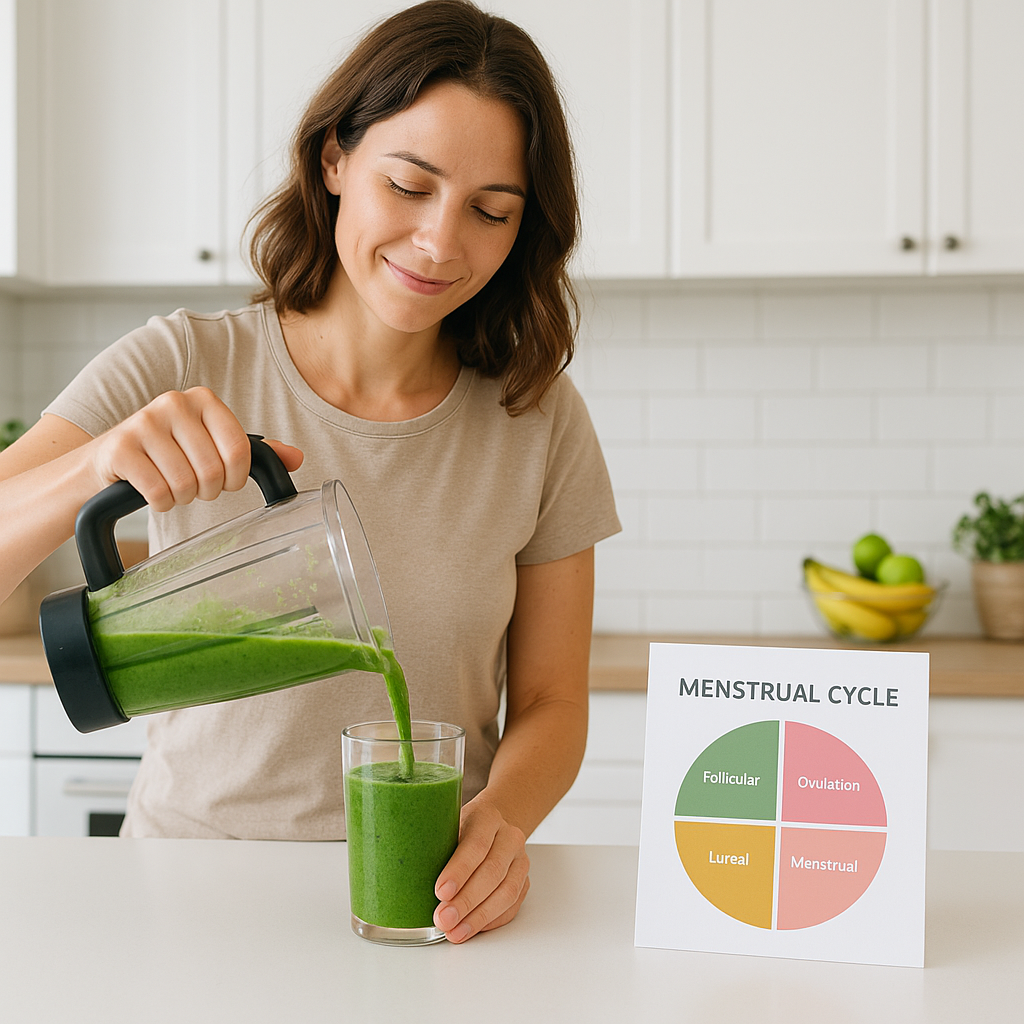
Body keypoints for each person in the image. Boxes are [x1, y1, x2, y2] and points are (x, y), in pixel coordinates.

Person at [0, 0, 619, 943]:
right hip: (186, 900)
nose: (441, 242)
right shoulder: (179, 362)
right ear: (334, 158)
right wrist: (94, 458)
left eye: (491, 211)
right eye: (410, 185)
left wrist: (501, 820)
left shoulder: (537, 419)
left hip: (423, 906)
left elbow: (550, 703)